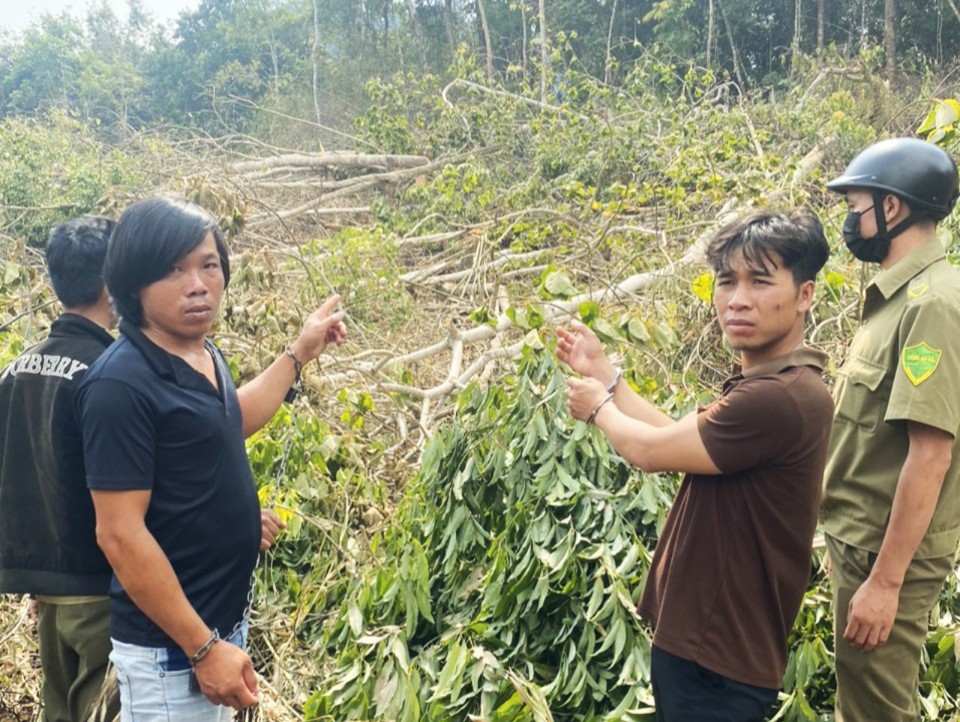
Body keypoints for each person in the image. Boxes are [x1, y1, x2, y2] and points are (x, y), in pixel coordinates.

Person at [76, 195, 347, 721]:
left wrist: (299, 353)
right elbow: (119, 534)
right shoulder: (120, 384)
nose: (197, 284)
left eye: (209, 265)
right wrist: (202, 649)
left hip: (216, 632)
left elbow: (229, 419)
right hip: (172, 655)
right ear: (133, 283)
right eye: (173, 270)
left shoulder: (201, 352)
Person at [558, 210, 833, 721]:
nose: (738, 299)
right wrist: (604, 373)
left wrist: (598, 408)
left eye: (759, 281)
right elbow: (676, 439)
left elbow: (648, 451)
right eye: (726, 282)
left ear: (805, 295)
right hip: (710, 651)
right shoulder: (775, 385)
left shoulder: (779, 398)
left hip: (719, 657)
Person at [820, 137, 960, 722]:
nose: (850, 221)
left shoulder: (933, 305)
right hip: (861, 544)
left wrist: (884, 582)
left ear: (892, 208)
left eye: (855, 206)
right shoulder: (898, 298)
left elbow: (930, 457)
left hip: (885, 555)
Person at [0, 216, 119, 722]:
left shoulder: (15, 369)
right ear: (115, 281)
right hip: (102, 588)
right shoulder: (112, 373)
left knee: (61, 710)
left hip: (46, 589)